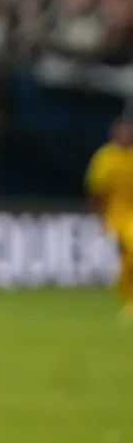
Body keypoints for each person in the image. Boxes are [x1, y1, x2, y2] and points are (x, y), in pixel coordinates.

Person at [86, 112, 133, 319]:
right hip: (114, 216)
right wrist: (100, 217)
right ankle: (127, 300)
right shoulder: (105, 158)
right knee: (123, 260)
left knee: (130, 252)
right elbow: (96, 190)